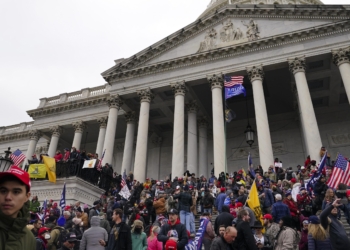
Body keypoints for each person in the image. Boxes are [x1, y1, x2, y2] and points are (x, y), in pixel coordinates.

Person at [0, 165, 37, 250]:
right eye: (3, 191)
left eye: (16, 192)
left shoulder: (30, 238)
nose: (8, 197)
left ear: (27, 197)